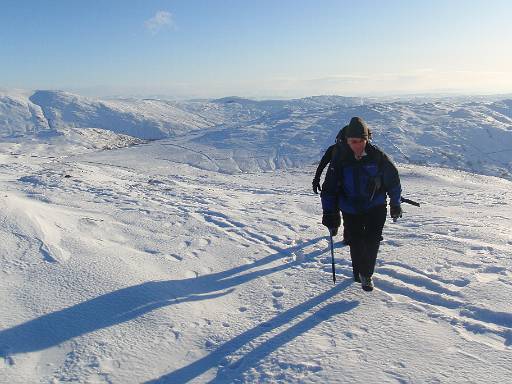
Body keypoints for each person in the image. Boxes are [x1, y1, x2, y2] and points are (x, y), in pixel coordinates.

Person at [320, 117, 402, 291]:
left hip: (376, 206)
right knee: (356, 241)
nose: (356, 145)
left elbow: (393, 181)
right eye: (352, 141)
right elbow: (329, 188)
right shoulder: (340, 160)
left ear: (367, 139)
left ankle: (367, 275)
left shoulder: (377, 157)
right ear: (346, 141)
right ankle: (358, 272)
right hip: (351, 208)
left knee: (372, 240)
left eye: (360, 141)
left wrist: (395, 204)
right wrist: (329, 213)